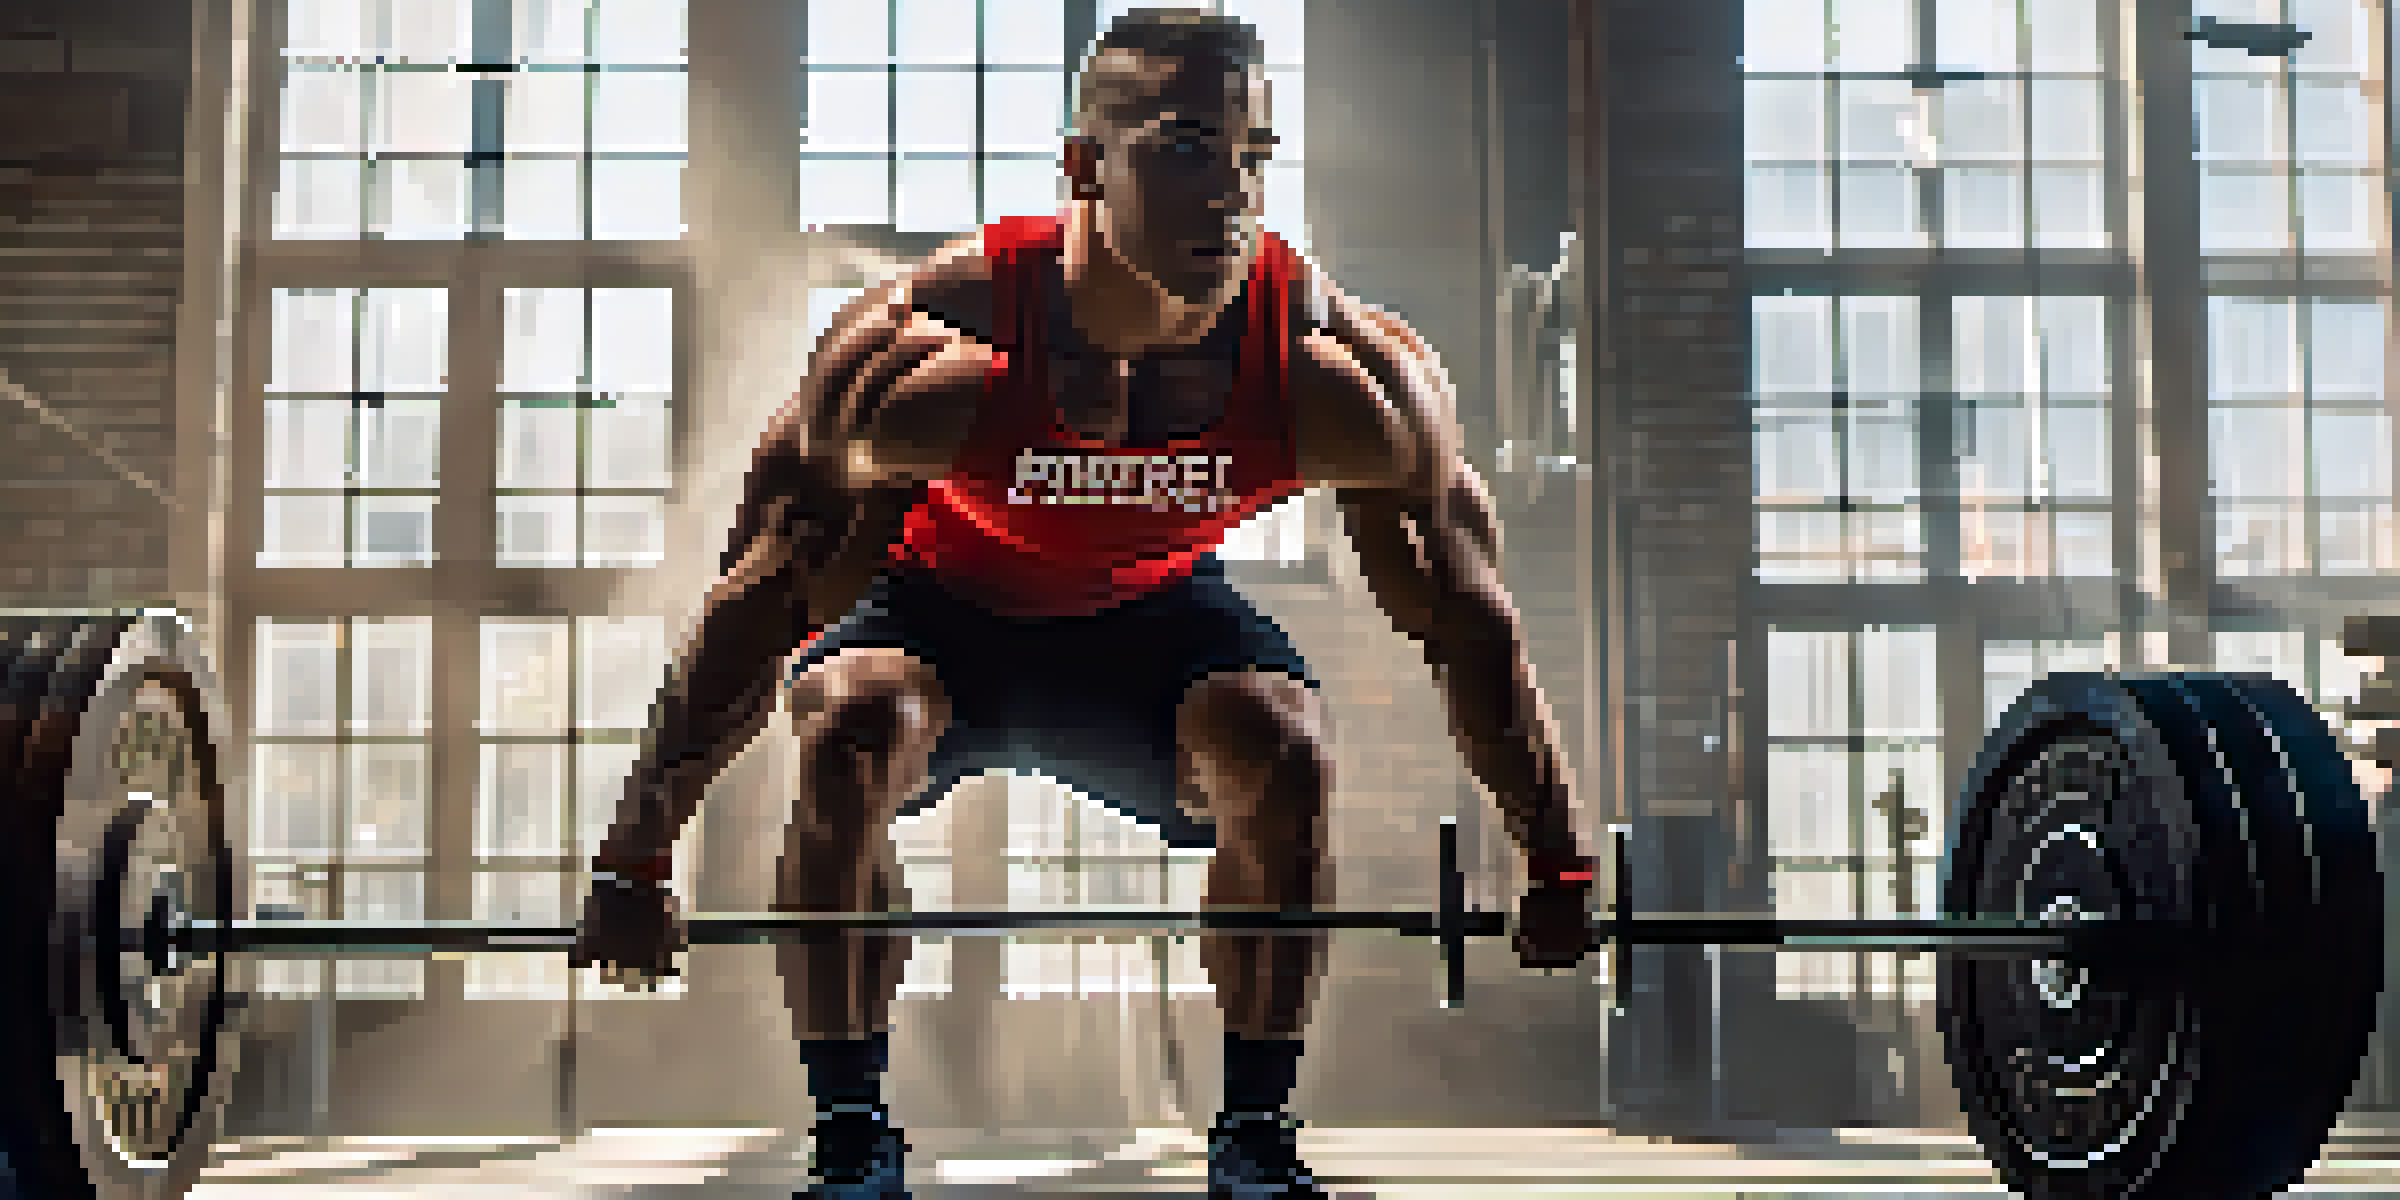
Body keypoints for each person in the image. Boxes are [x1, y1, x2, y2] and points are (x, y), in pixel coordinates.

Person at [569, 8, 1598, 1197]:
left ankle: (1254, 1135)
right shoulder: (923, 354)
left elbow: (1467, 620)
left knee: (1283, 747)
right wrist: (639, 850)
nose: (1230, 193)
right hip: (939, 604)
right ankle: (851, 1129)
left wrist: (1557, 856)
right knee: (850, 725)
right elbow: (758, 603)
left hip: (1149, 613)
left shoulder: (1339, 375)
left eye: (1253, 156)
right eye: (1185, 149)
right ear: (1083, 166)